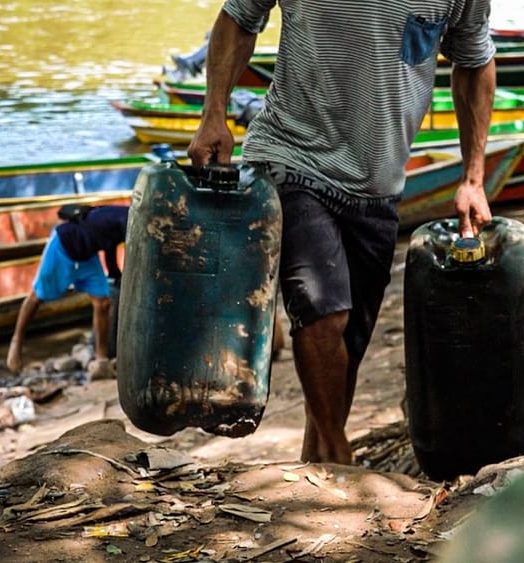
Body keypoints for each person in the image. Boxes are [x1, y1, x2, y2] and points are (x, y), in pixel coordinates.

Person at [186, 1, 496, 464]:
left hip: (379, 185)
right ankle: (337, 454)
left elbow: (473, 62)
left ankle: (319, 467)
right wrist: (214, 114)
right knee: (323, 312)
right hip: (291, 157)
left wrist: (473, 178)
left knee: (347, 342)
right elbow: (239, 18)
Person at [6, 204, 129, 378]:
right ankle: (16, 343)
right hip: (63, 246)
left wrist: (115, 275)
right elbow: (130, 250)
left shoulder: (122, 221)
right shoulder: (128, 219)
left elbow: (109, 244)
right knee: (37, 296)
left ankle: (101, 361)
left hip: (86, 256)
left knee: (103, 302)